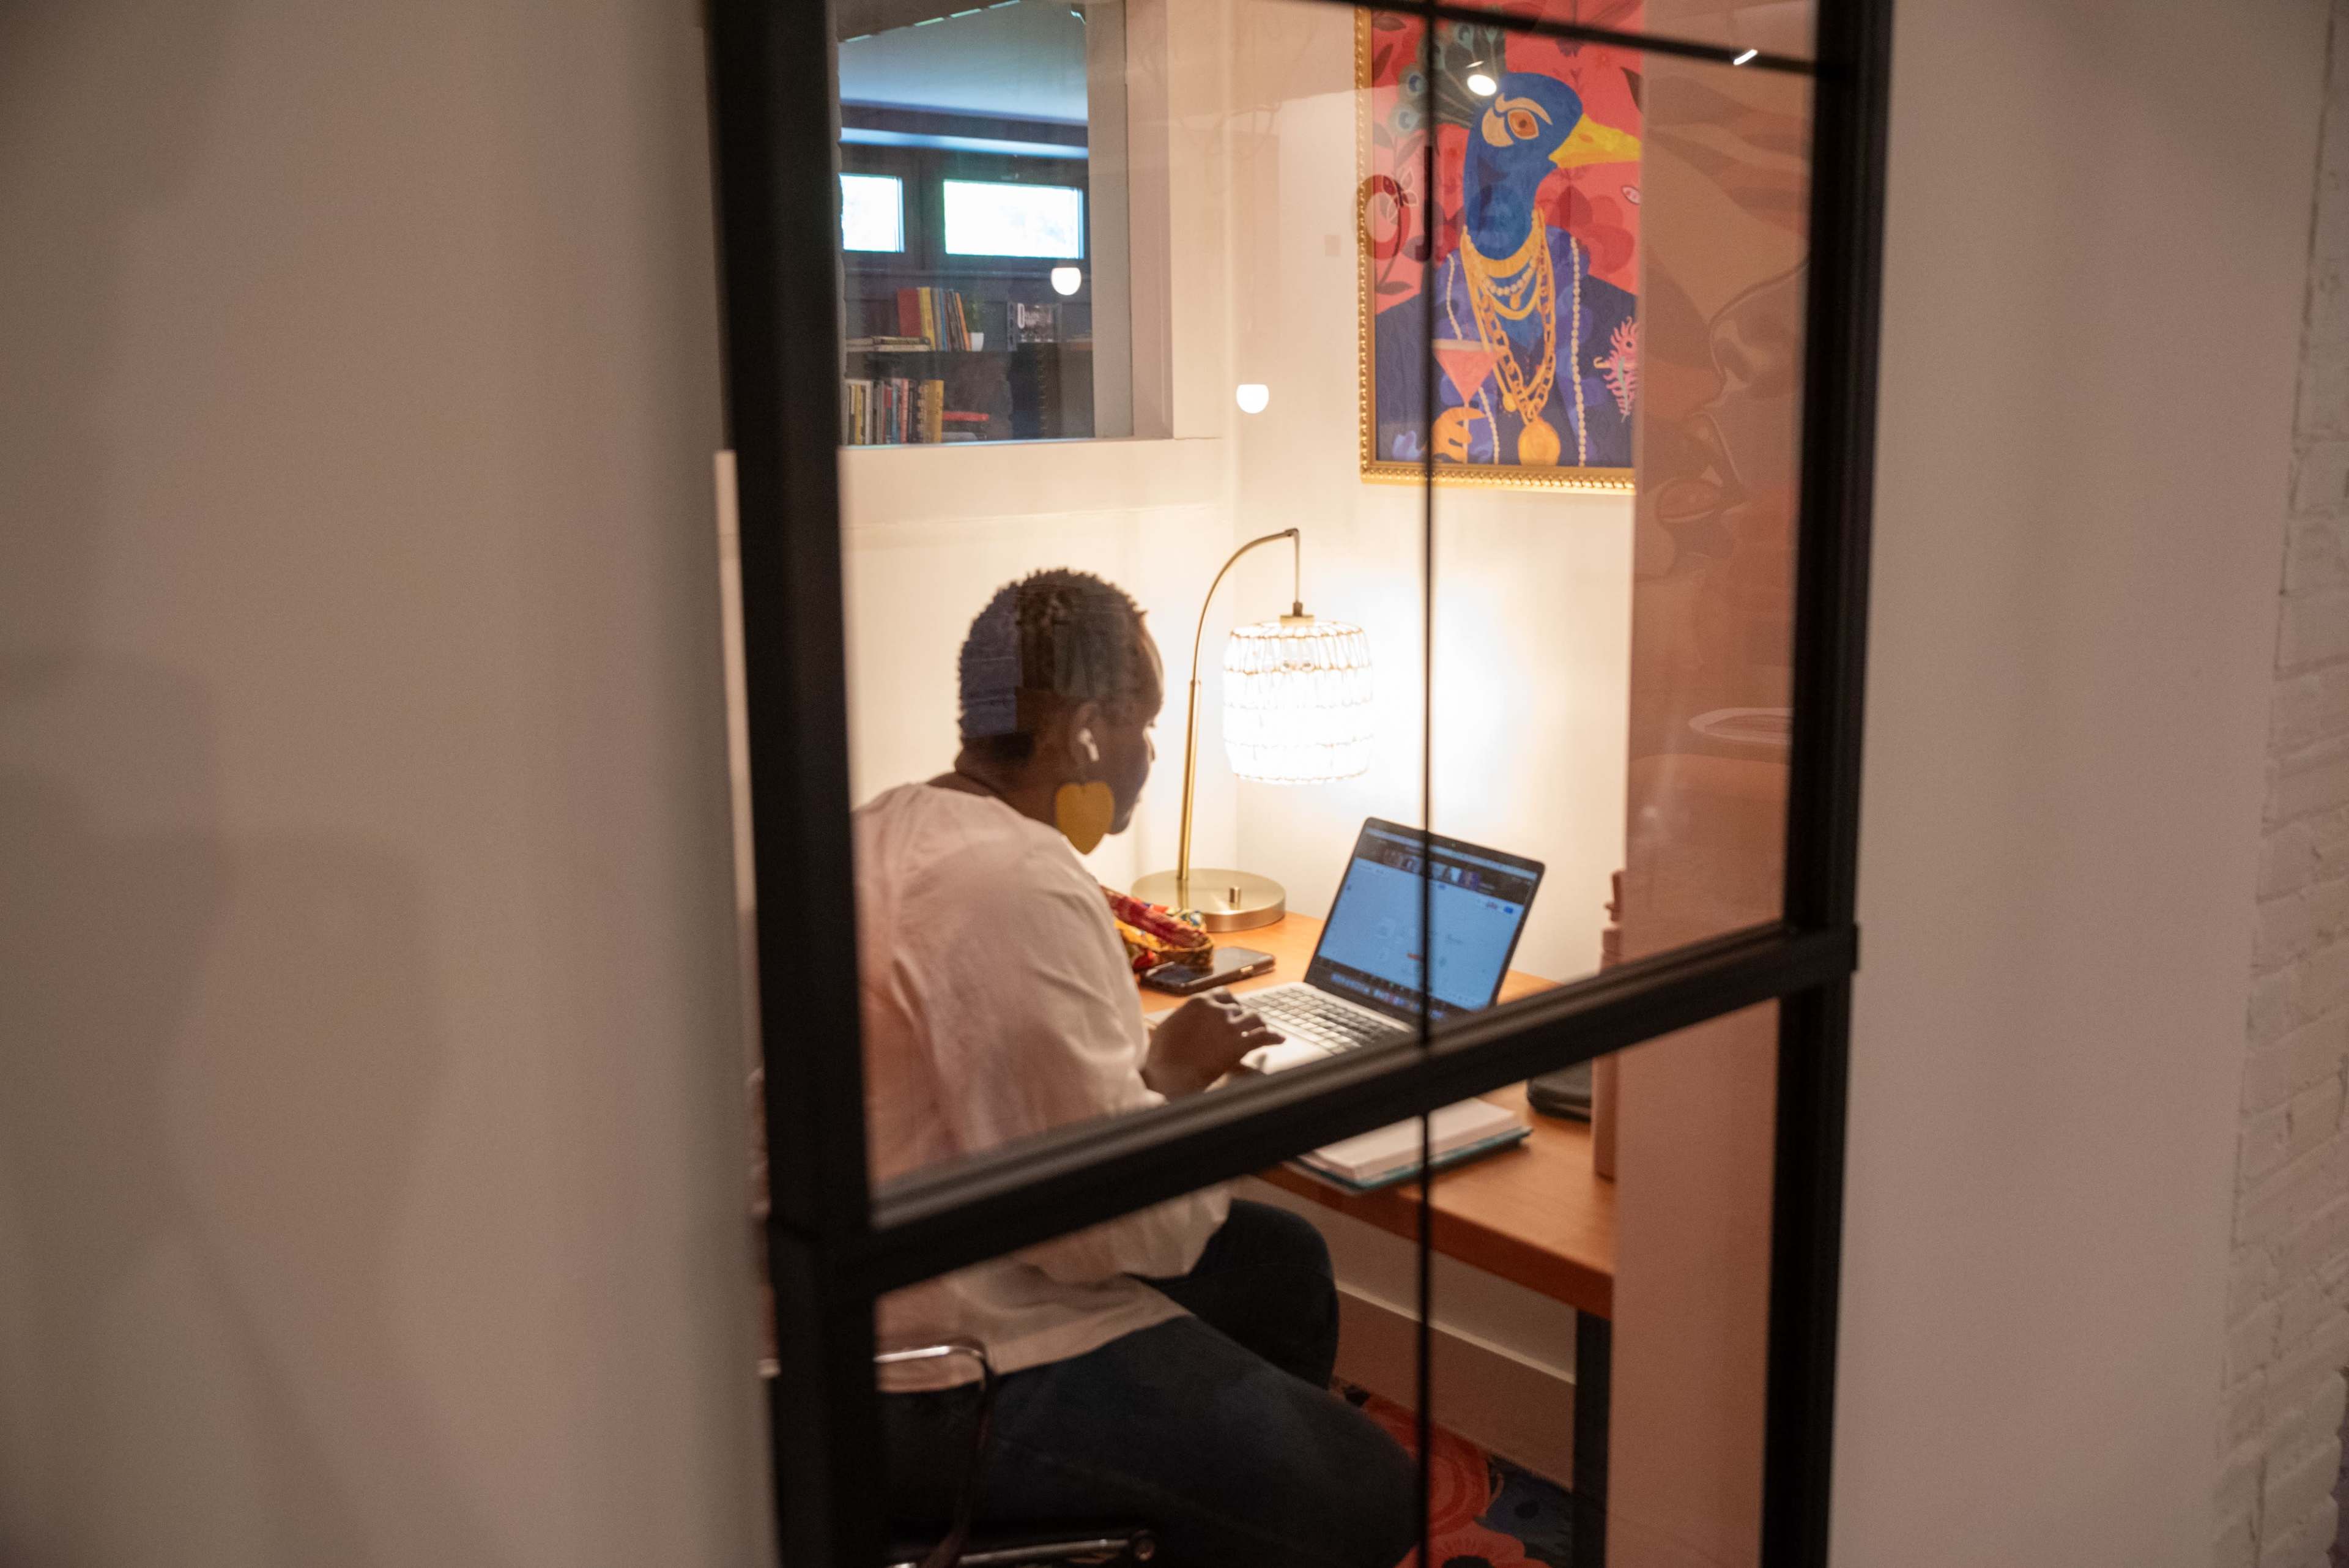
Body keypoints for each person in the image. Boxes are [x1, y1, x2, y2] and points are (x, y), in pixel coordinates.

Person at [857, 570, 1417, 1567]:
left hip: (894, 1264)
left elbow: (1023, 1130)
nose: (1149, 755)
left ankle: (1204, 1525)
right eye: (1142, 727)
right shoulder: (1014, 883)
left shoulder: (897, 824)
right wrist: (1185, 1092)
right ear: (1084, 728)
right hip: (930, 1363)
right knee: (1366, 1488)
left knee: (1280, 1264)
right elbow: (1107, 1233)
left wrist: (1153, 1077)